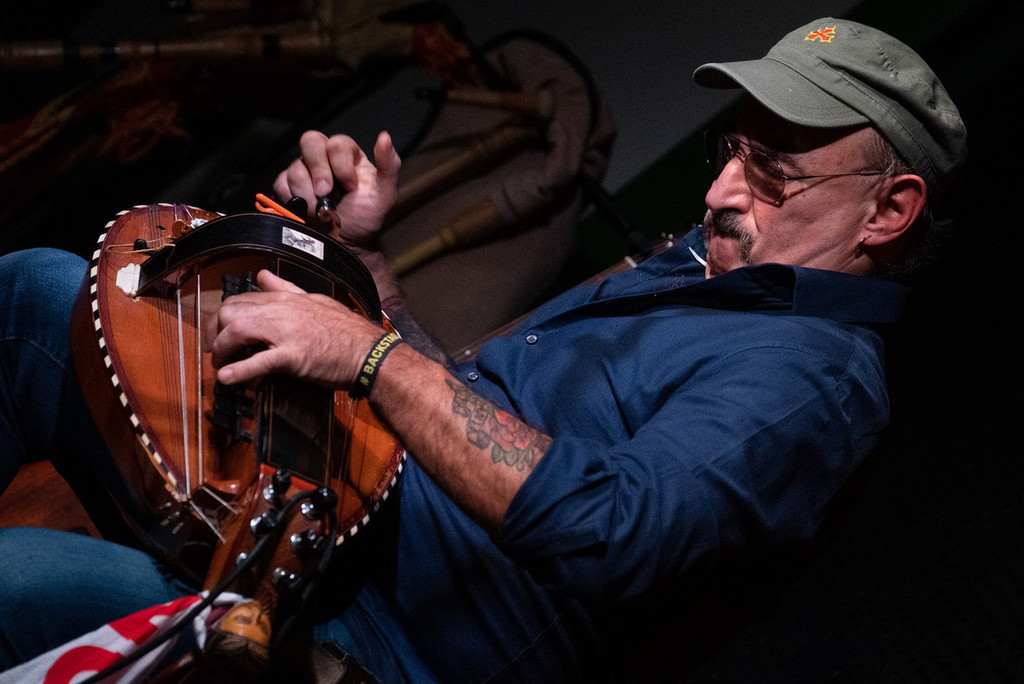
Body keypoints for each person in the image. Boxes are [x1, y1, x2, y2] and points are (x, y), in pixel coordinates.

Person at [0, 16, 965, 682]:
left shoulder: (811, 383)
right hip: (337, 500)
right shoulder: (709, 267)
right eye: (732, 153)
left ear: (888, 211)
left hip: (360, 636)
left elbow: (616, 532)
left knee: (15, 583)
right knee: (36, 290)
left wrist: (368, 356)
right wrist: (370, 269)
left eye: (774, 175)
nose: (720, 193)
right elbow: (469, 402)